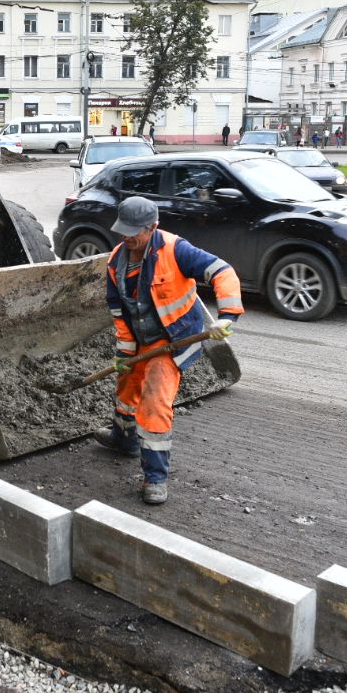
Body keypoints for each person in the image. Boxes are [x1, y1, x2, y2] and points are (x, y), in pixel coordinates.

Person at [91, 197, 243, 505]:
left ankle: (155, 477)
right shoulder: (115, 261)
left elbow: (222, 271)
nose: (126, 236)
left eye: (134, 231)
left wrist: (227, 314)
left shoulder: (175, 250)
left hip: (172, 340)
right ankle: (123, 439)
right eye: (123, 229)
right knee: (126, 389)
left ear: (153, 227)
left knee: (154, 403)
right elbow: (120, 313)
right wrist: (124, 353)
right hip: (139, 340)